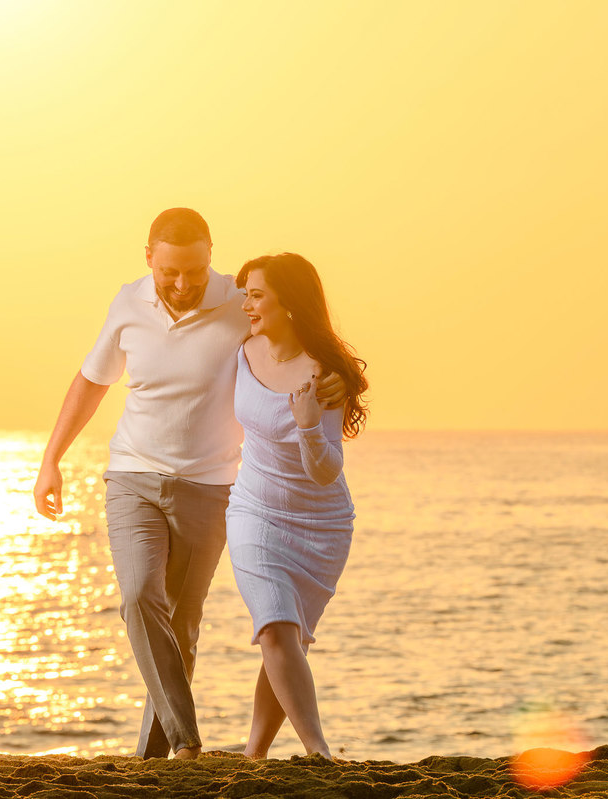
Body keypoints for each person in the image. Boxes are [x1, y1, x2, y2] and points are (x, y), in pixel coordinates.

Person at [32, 209, 343, 760]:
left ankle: (156, 759)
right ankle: (186, 742)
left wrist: (336, 378)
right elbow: (91, 380)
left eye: (194, 272)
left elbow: (294, 335)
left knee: (182, 623)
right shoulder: (127, 304)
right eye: (169, 271)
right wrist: (50, 459)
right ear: (148, 256)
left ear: (210, 256)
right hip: (133, 474)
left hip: (209, 484)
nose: (181, 284)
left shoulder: (239, 302)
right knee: (137, 597)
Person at [226, 252, 368, 760]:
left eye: (257, 295)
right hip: (252, 511)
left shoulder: (322, 374)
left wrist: (308, 423)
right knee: (276, 627)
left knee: (286, 641)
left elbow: (327, 469)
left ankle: (254, 754)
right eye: (246, 293)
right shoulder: (241, 351)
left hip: (321, 525)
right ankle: (319, 751)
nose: (246, 304)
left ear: (290, 304)